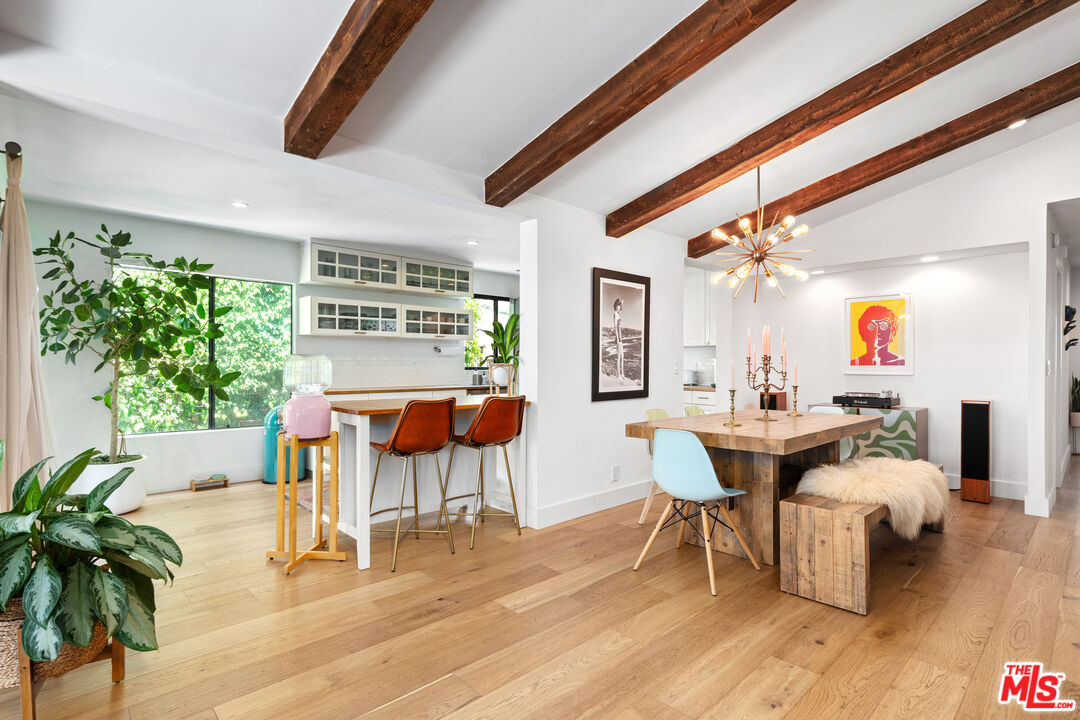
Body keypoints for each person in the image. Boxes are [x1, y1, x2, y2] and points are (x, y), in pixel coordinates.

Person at [613, 297, 624, 378]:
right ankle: (618, 375)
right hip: (618, 338)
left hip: (621, 338)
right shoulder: (615, 314)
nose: (618, 307)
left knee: (622, 357)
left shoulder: (618, 314)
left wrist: (622, 302)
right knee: (618, 357)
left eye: (619, 306)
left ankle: (622, 374)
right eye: (617, 305)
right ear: (615, 306)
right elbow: (615, 327)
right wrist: (617, 339)